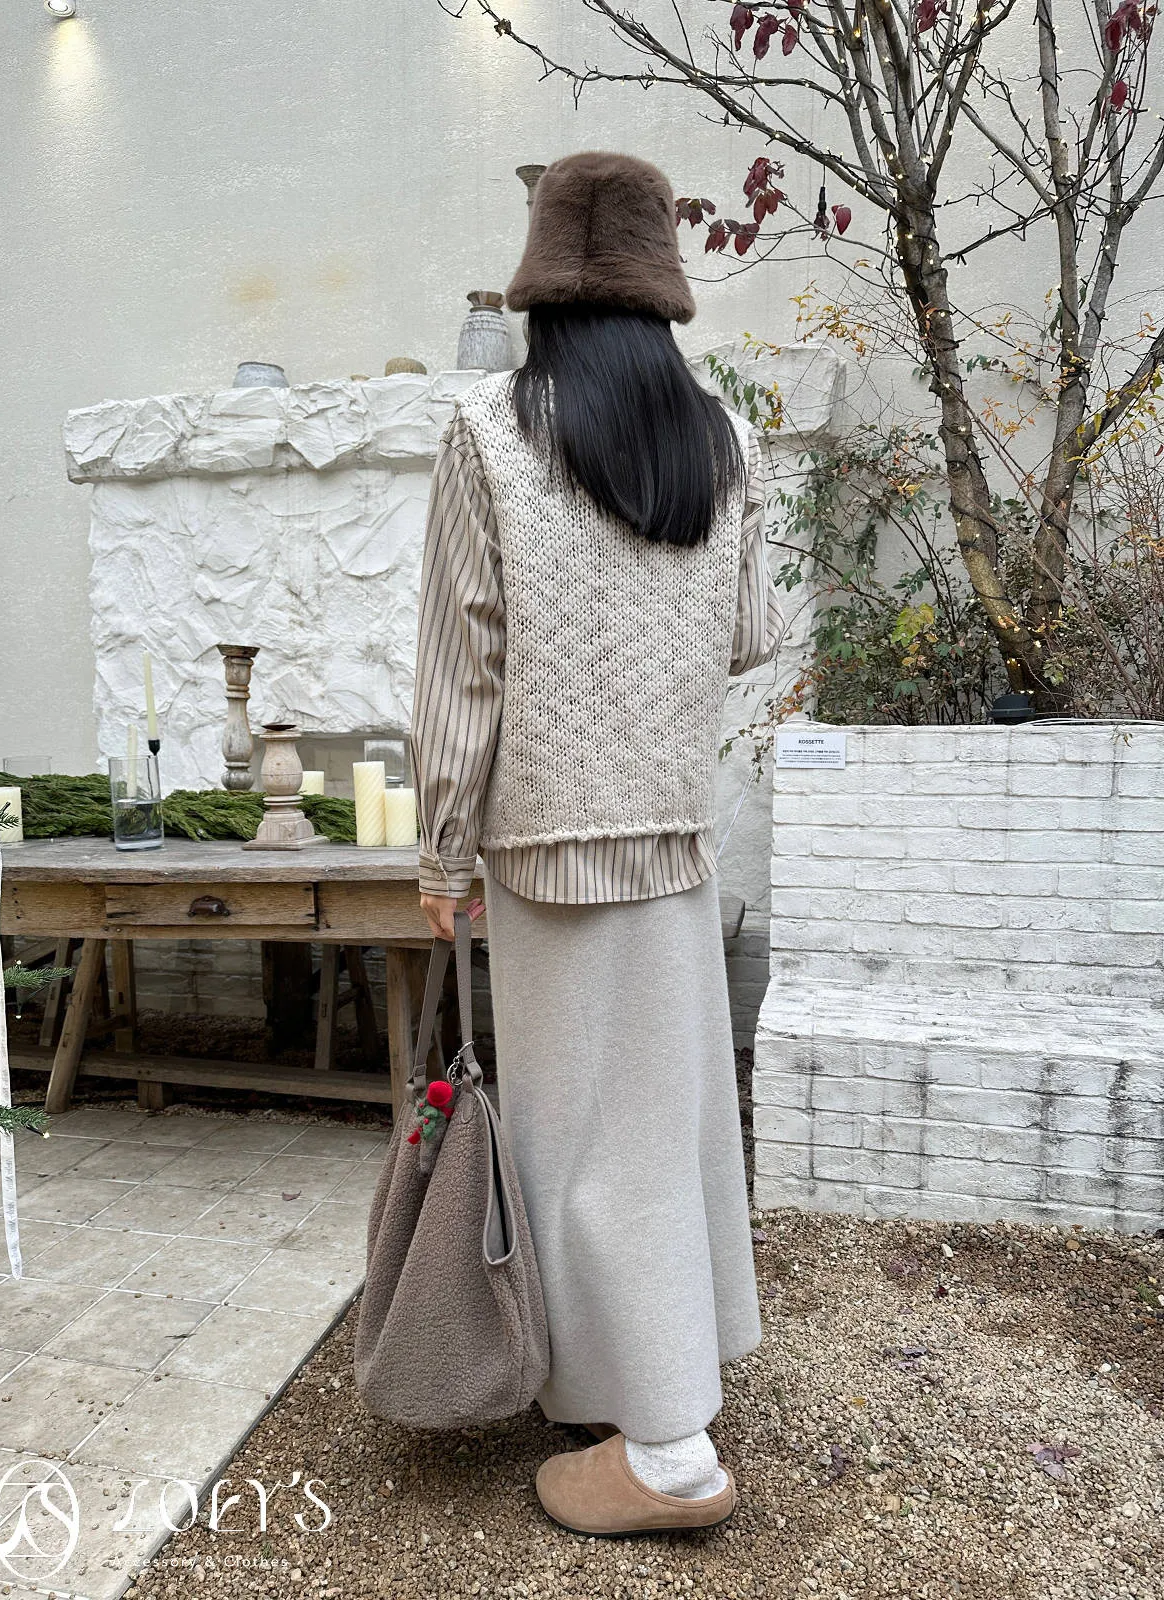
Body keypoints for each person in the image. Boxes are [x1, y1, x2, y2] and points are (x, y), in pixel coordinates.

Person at [409, 150, 786, 1537]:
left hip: (546, 854)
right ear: (662, 287)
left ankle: (668, 1452)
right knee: (666, 1125)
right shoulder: (722, 439)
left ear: (542, 289)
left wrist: (441, 853)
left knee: (582, 1143)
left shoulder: (489, 433)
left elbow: (463, 668)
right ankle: (635, 1382)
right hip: (673, 848)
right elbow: (750, 633)